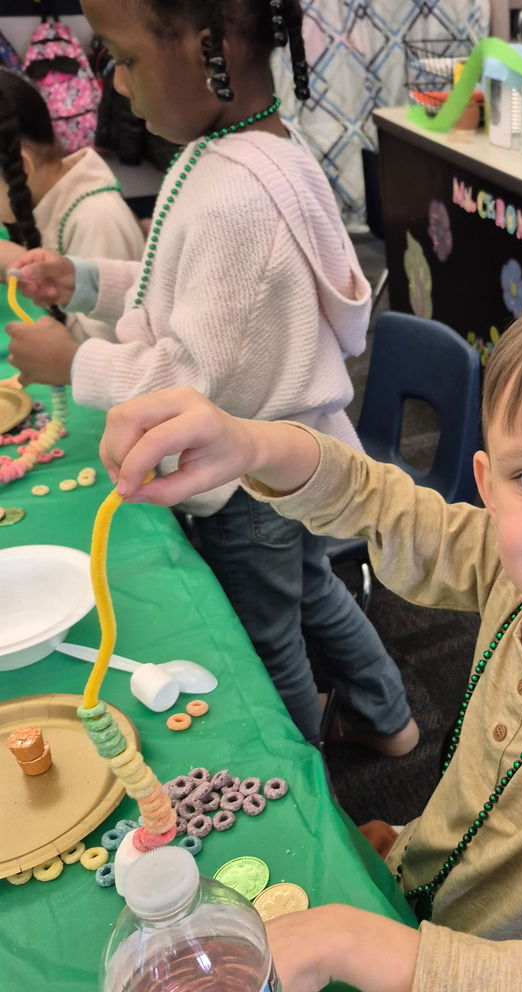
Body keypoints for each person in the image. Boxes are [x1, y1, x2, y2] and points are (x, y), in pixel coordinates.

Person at [98, 270, 522, 992]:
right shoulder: (512, 569)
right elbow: (377, 500)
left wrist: (342, 942)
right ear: (487, 483)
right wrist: (248, 442)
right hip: (426, 891)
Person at [4, 0, 417, 754]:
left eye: (124, 60)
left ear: (208, 48)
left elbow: (194, 381)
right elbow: (186, 290)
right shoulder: (248, 151)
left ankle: (305, 775)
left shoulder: (232, 198)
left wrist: (75, 362)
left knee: (268, 638)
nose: (117, 89)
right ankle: (391, 719)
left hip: (246, 482)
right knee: (315, 593)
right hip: (294, 448)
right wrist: (86, 281)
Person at [0, 68, 144, 343]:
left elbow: (103, 347)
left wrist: (12, 258)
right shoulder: (37, 198)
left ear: (21, 167)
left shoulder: (97, 220)